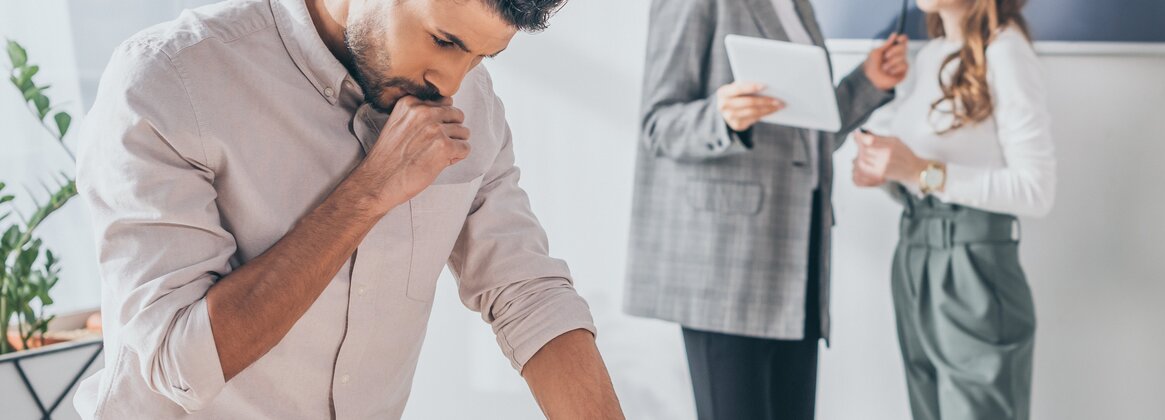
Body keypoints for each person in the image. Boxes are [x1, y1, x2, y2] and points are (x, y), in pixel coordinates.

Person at [71, 0, 623, 418]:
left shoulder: (471, 101)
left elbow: (526, 293)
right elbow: (177, 364)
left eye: (482, 56)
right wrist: (370, 190)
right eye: (443, 40)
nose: (451, 82)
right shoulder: (170, 81)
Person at [624, 0, 907, 419]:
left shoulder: (797, 6)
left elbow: (809, 133)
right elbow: (657, 125)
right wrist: (722, 116)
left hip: (799, 261)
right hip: (726, 271)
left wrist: (867, 81)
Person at [851, 0, 1052, 418]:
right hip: (913, 258)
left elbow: (1036, 190)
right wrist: (888, 174)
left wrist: (924, 172)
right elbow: (922, 179)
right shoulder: (929, 57)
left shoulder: (1006, 52)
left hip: (974, 267)